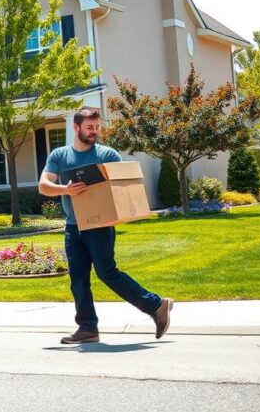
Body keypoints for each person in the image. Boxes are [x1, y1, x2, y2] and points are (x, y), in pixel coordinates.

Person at [39, 106, 172, 344]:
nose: (94, 132)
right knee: (78, 278)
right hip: (73, 226)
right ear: (76, 127)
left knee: (107, 272)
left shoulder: (107, 155)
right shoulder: (59, 156)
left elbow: (121, 189)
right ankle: (87, 328)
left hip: (100, 226)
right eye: (90, 127)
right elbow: (43, 185)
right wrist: (66, 189)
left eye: (97, 127)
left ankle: (156, 305)